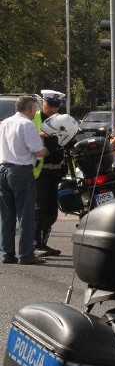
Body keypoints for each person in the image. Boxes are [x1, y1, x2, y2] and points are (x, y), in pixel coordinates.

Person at [0, 95, 49, 265]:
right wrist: (47, 150)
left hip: (4, 169)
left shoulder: (5, 123)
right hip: (21, 172)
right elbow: (37, 151)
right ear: (29, 109)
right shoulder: (27, 124)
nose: (35, 111)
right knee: (26, 214)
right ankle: (26, 254)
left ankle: (7, 253)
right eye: (35, 108)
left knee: (6, 215)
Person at [33, 90, 67, 257]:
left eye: (56, 106)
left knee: (52, 211)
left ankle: (43, 243)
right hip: (39, 171)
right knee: (40, 209)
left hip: (57, 170)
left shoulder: (62, 120)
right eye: (50, 105)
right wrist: (44, 134)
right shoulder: (33, 119)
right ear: (42, 103)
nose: (53, 109)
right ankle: (36, 245)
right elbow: (29, 137)